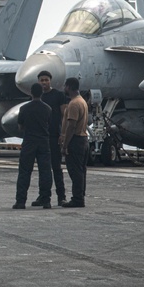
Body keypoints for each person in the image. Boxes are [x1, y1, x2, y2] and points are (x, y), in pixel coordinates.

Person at [14, 83, 54, 209]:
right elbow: (50, 124)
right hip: (43, 142)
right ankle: (46, 200)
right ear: (42, 93)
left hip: (29, 141)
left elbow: (20, 127)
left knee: (25, 172)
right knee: (45, 172)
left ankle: (21, 201)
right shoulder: (48, 109)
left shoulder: (24, 108)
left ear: (31, 93)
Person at [37, 70, 69, 206]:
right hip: (41, 137)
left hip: (54, 136)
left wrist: (63, 134)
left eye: (46, 80)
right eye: (42, 80)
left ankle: (61, 196)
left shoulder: (58, 95)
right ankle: (43, 196)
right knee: (43, 169)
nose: (44, 82)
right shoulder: (37, 97)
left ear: (50, 81)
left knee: (56, 168)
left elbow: (64, 115)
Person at [60, 77, 89, 208]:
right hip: (83, 139)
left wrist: (65, 145)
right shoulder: (82, 101)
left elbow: (71, 125)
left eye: (65, 86)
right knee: (81, 171)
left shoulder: (73, 104)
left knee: (75, 171)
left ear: (69, 87)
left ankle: (77, 199)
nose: (64, 89)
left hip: (76, 140)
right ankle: (80, 196)